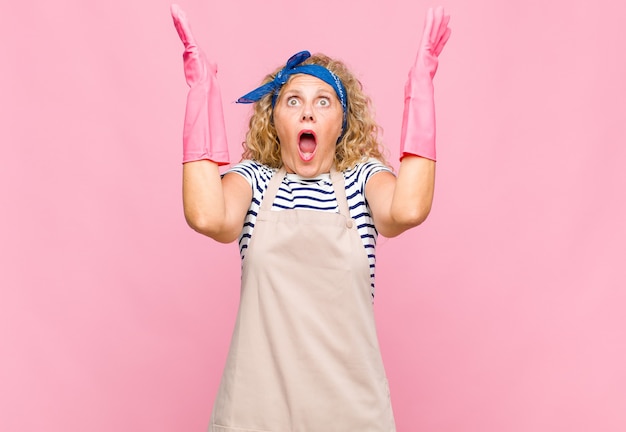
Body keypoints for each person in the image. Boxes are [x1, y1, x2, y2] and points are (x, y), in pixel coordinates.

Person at [171, 4, 450, 431]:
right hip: (255, 414)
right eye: (293, 100)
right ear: (274, 119)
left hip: (351, 414)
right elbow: (209, 216)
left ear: (341, 122)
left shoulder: (362, 180)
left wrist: (421, 88)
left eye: (323, 101)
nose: (307, 112)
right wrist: (201, 95)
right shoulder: (254, 181)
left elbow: (406, 208)